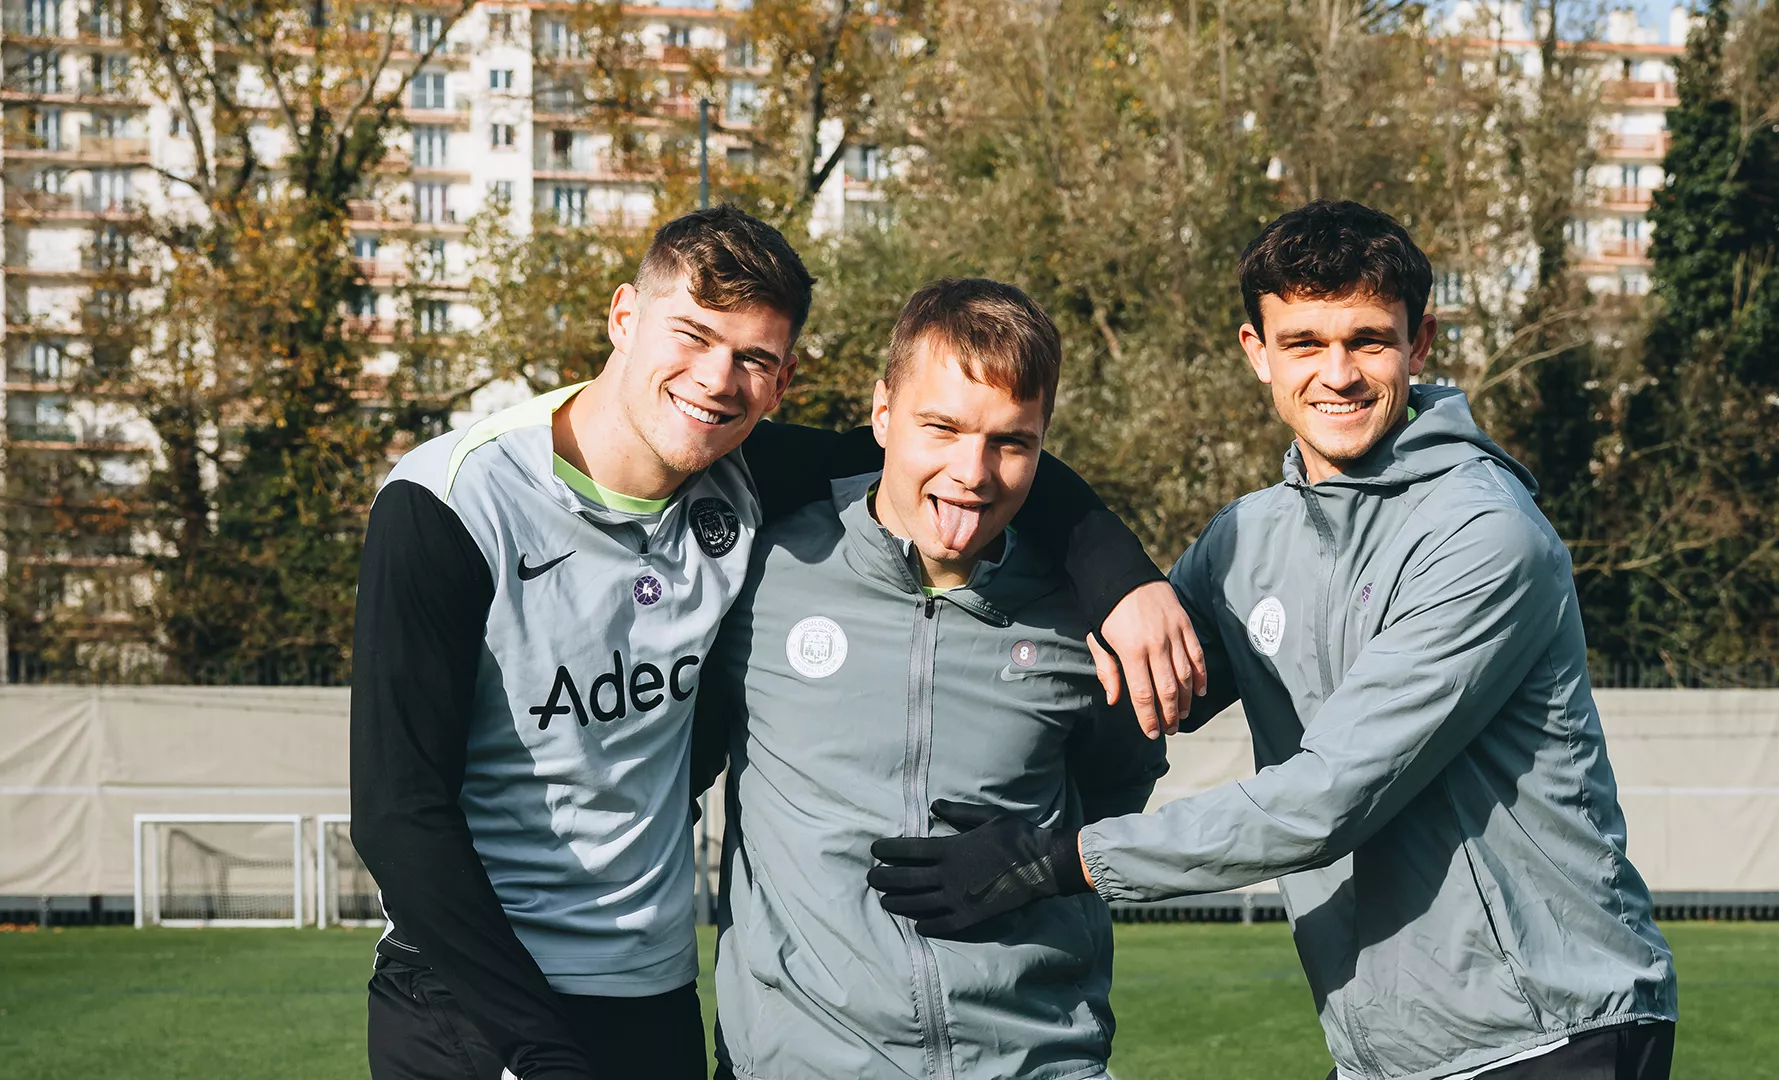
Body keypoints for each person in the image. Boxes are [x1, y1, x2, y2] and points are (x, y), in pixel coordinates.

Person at [349, 207, 1203, 1080]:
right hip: (468, 1002)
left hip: (650, 993)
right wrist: (535, 1046)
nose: (717, 380)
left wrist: (1123, 579)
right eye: (693, 335)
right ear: (623, 318)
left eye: (753, 358)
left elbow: (968, 451)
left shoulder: (743, 475)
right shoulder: (450, 501)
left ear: (783, 379)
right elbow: (397, 815)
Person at [869, 201, 1680, 1080]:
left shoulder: (1484, 535)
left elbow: (1324, 800)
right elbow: (1119, 701)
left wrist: (1051, 858)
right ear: (1257, 352)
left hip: (1549, 1033)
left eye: (1369, 340)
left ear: (1422, 344)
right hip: (1383, 1056)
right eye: (1304, 343)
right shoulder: (1245, 540)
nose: (1339, 374)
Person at [694, 277, 1166, 1080]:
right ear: (883, 414)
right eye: (940, 427)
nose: (972, 471)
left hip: (1038, 1061)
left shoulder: (1081, 619)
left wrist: (1042, 857)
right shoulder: (760, 571)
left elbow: (1116, 787)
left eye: (1010, 442)